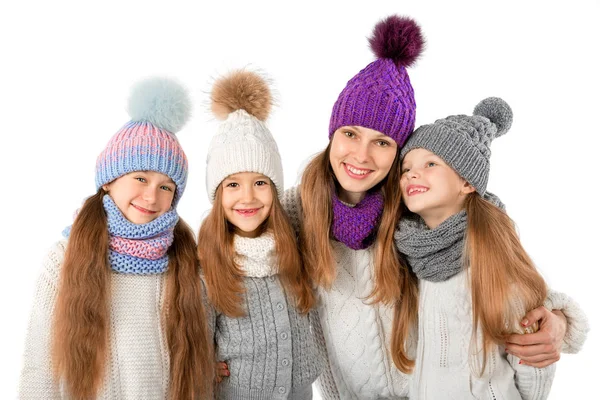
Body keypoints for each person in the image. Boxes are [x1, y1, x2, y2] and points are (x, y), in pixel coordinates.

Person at [282, 15, 588, 400]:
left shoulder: (414, 204)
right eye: (350, 133)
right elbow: (233, 253)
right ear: (332, 134)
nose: (361, 154)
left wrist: (560, 320)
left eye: (382, 142)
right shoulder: (298, 208)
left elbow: (502, 267)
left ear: (399, 151)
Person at [18, 78, 214, 399]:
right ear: (109, 180)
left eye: (166, 186)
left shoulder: (185, 260)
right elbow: (40, 367)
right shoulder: (64, 258)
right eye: (140, 178)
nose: (151, 196)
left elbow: (199, 364)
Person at [395, 97, 587, 399]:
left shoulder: (493, 261)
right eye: (406, 168)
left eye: (431, 164)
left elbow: (533, 358)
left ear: (467, 182)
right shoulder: (411, 253)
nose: (412, 174)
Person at [198, 69, 322, 399]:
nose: (248, 197)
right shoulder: (207, 262)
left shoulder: (294, 242)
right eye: (233, 184)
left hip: (300, 391)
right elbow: (197, 333)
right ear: (217, 194)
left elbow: (321, 184)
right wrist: (203, 362)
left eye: (260, 182)